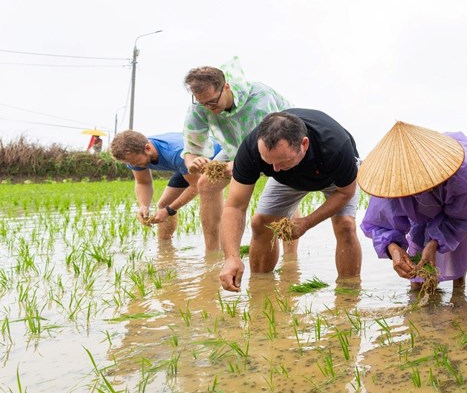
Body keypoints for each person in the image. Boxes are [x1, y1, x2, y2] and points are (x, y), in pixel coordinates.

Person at [218, 109, 363, 292]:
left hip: (334, 180)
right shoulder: (251, 149)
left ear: (304, 144)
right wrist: (231, 257)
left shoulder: (335, 146)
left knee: (345, 225)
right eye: (268, 162)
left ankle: (348, 293)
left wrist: (307, 222)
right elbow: (235, 206)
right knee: (261, 223)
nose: (275, 169)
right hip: (288, 181)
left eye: (282, 161)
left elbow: (345, 192)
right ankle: (262, 291)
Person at [359, 122, 467, 290]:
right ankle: (425, 302)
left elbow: (462, 217)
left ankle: (459, 295)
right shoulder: (389, 183)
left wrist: (434, 243)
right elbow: (381, 224)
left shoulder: (461, 171)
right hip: (420, 204)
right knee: (419, 270)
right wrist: (394, 249)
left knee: (457, 242)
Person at [182, 57, 291, 251]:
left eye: (213, 102)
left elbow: (268, 148)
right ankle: (212, 251)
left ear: (226, 87)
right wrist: (193, 162)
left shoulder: (260, 99)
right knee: (205, 183)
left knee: (284, 186)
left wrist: (236, 166)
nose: (209, 108)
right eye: (203, 103)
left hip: (277, 145)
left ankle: (291, 257)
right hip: (235, 145)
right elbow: (191, 148)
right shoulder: (200, 107)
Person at [110, 130, 218, 241]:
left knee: (209, 202)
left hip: (217, 158)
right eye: (129, 163)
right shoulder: (136, 156)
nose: (133, 166)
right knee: (164, 204)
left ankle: (214, 251)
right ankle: (164, 247)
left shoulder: (175, 152)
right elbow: (143, 182)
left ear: (147, 148)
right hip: (186, 166)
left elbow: (197, 186)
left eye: (135, 161)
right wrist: (143, 205)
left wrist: (168, 211)